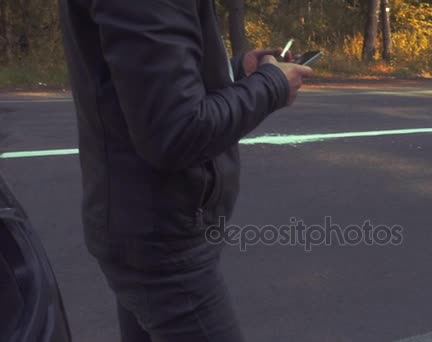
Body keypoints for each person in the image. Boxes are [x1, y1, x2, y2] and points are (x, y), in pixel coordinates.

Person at [58, 0, 313, 341]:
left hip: (142, 222)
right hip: (162, 239)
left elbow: (145, 86)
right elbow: (175, 131)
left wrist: (233, 71)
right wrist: (271, 86)